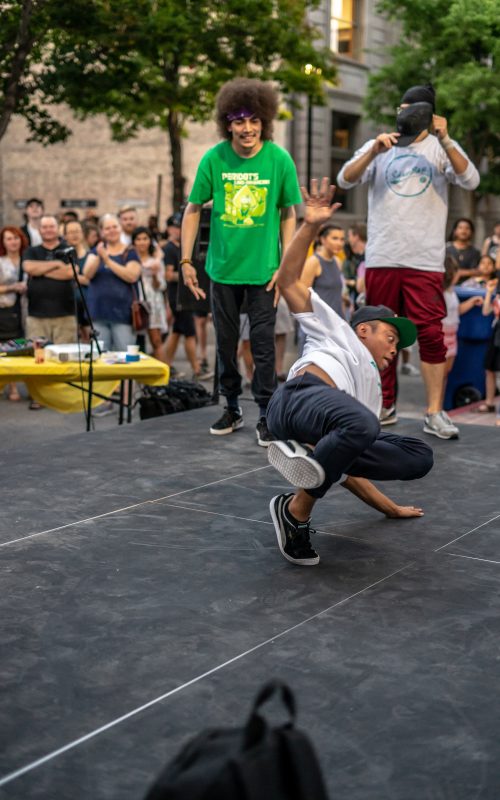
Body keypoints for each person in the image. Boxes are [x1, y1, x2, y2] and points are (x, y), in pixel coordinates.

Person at [265, 179, 433, 566]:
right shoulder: (335, 328)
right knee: (363, 425)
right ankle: (295, 511)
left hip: (334, 429)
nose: (394, 348)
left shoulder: (369, 395)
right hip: (297, 400)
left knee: (419, 456)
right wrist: (310, 226)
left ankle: (309, 455)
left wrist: (390, 508)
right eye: (390, 336)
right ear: (363, 330)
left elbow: (347, 467)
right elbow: (287, 280)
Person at [337, 83, 480, 440]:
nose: (402, 113)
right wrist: (373, 150)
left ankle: (434, 412)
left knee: (430, 334)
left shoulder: (440, 147)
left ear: (426, 114)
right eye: (400, 108)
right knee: (381, 333)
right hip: (383, 256)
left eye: (409, 108)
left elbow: (471, 179)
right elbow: (345, 179)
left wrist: (446, 139)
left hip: (424, 260)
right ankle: (383, 405)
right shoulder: (380, 145)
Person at [181, 77, 302, 446]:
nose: (247, 128)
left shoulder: (279, 159)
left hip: (265, 272)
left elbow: (288, 212)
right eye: (239, 121)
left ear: (264, 121)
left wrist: (286, 266)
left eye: (254, 120)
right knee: (226, 344)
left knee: (264, 346)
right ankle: (232, 407)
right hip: (223, 270)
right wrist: (186, 260)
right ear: (228, 124)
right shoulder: (214, 158)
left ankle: (267, 414)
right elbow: (192, 209)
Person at [83, 213, 141, 351]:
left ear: (120, 228)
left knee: (125, 355)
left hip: (123, 315)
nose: (112, 231)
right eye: (107, 228)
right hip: (98, 313)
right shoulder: (95, 252)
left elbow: (132, 276)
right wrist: (99, 257)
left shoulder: (130, 252)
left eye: (115, 227)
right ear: (102, 232)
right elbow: (87, 274)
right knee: (100, 356)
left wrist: (107, 260)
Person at [23, 214, 77, 344]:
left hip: (65, 315)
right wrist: (57, 264)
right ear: (39, 230)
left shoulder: (68, 250)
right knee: (37, 354)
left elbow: (70, 273)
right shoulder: (31, 251)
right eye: (44, 227)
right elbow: (28, 267)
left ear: (58, 228)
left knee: (65, 355)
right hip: (36, 317)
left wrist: (40, 271)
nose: (48, 230)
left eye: (51, 226)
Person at [163, 212, 202, 380]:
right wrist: (185, 274)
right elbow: (168, 275)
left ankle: (165, 366)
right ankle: (197, 369)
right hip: (177, 297)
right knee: (190, 333)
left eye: (180, 227)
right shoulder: (169, 248)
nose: (178, 230)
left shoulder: (182, 247)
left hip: (185, 295)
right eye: (175, 227)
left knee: (177, 331)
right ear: (169, 229)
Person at [441, 255, 483, 402]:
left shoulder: (451, 291)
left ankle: (439, 404)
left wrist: (471, 301)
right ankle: (435, 405)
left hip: (452, 335)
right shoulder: (440, 293)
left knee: (446, 373)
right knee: (440, 374)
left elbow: (457, 310)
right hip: (442, 335)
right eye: (456, 271)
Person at [0, 226, 28, 401]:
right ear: (3, 242)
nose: (13, 242)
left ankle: (14, 384)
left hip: (24, 310)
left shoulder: (27, 260)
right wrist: (12, 287)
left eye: (16, 238)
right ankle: (10, 386)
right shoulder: (1, 262)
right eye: (9, 239)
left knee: (18, 347)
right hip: (5, 310)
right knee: (5, 349)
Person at [131, 226, 168, 362]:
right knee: (134, 342)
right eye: (138, 239)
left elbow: (161, 286)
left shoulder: (156, 261)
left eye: (145, 239)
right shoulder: (130, 259)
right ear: (134, 242)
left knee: (156, 340)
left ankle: (163, 372)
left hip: (152, 302)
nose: (142, 242)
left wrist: (154, 275)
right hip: (134, 301)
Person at [63, 219, 90, 342]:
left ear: (83, 233)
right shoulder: (62, 257)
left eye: (77, 231)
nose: (75, 235)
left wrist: (72, 275)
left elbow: (91, 281)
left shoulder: (91, 256)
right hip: (67, 308)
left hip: (87, 307)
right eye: (71, 232)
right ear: (65, 236)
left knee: (88, 341)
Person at [478, 277, 500, 420]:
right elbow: (486, 311)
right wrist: (489, 292)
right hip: (496, 333)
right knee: (489, 369)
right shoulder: (497, 298)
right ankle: (489, 402)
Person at [446, 218, 480, 282]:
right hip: (446, 285)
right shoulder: (446, 249)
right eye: (460, 228)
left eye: (467, 228)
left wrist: (462, 273)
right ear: (455, 231)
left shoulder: (475, 252)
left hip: (468, 286)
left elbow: (479, 270)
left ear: (472, 232)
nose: (463, 231)